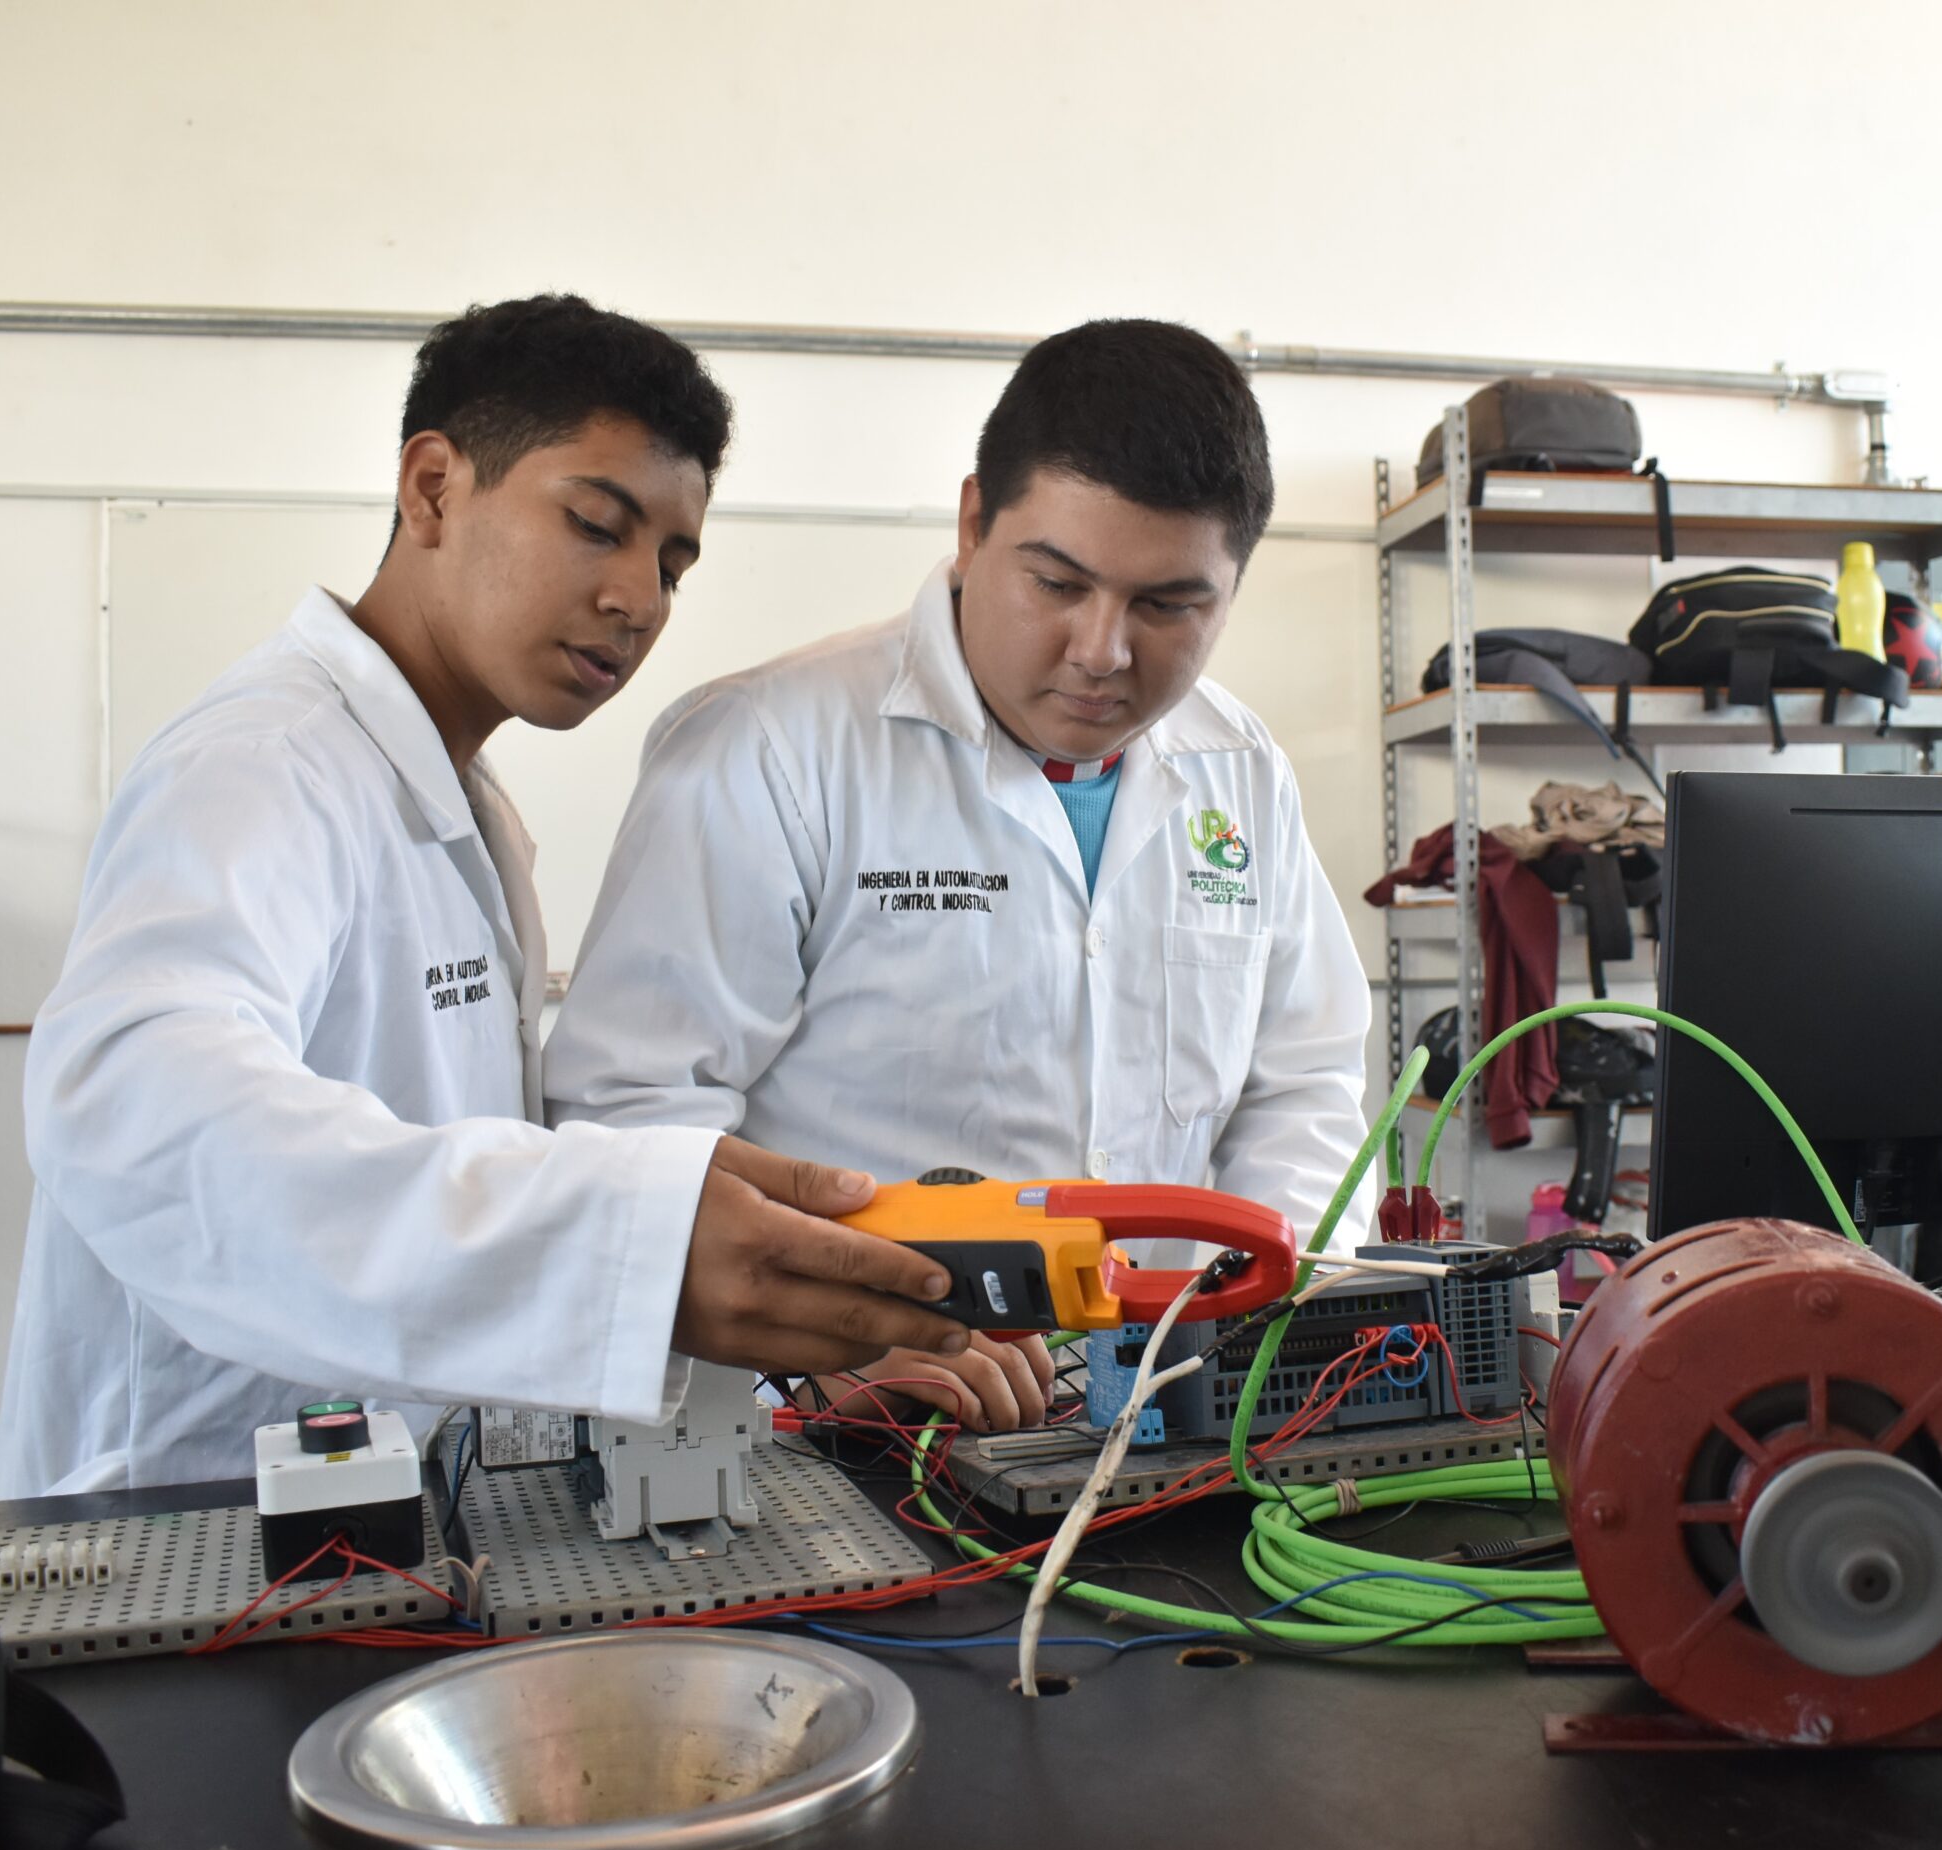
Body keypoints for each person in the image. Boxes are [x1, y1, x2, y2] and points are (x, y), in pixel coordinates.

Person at [0, 295, 970, 1496]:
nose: (640, 599)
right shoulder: (264, 765)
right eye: (596, 525)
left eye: (672, 564)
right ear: (433, 489)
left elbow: (465, 1201)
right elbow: (133, 1104)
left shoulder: (460, 802)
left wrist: (743, 1307)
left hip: (379, 1507)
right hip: (195, 1515)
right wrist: (618, 1244)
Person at [544, 319, 1371, 1435]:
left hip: (1177, 1423)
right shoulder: (769, 750)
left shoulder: (1241, 769)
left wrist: (1276, 1325)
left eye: (1169, 605)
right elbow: (634, 1120)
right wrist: (834, 1342)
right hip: (854, 1434)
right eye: (1058, 582)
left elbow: (1302, 1082)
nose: (1102, 651)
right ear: (975, 522)